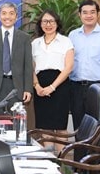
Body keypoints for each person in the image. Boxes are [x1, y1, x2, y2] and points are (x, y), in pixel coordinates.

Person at [68, 0, 100, 129]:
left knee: (99, 128)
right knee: (79, 127)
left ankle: (98, 151)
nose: (88, 15)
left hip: (99, 87)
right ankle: (80, 150)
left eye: (92, 12)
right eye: (85, 12)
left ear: (98, 14)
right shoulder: (73, 35)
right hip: (76, 87)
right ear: (80, 15)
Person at [31, 10, 74, 151]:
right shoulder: (35, 43)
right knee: (45, 127)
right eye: (45, 21)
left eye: (51, 21)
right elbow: (30, 67)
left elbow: (68, 67)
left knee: (60, 127)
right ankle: (50, 159)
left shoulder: (65, 41)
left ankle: (61, 163)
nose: (48, 24)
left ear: (57, 23)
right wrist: (37, 86)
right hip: (40, 87)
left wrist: (52, 87)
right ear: (40, 24)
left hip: (60, 86)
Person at [0, 2, 33, 114]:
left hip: (17, 87)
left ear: (16, 16)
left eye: (11, 13)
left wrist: (28, 89)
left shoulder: (24, 38)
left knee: (16, 123)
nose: (7, 17)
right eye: (4, 13)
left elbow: (28, 65)